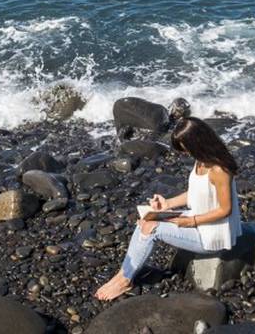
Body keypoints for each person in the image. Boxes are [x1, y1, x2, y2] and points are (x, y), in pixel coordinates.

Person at [94, 116, 242, 301]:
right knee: (145, 221)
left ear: (198, 143)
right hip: (197, 219)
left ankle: (125, 280)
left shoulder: (219, 170)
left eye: (186, 147)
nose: (185, 152)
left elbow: (225, 209)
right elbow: (196, 193)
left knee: (151, 229)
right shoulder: (201, 160)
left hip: (210, 236)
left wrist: (190, 221)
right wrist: (167, 204)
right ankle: (123, 274)